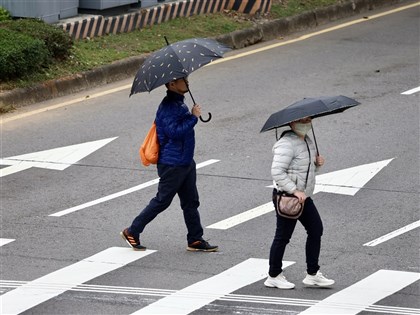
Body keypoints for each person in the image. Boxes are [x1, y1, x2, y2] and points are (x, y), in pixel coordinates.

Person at [121, 77, 218, 252]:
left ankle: (195, 239)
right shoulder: (168, 106)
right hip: (172, 163)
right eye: (183, 80)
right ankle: (132, 231)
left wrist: (190, 116)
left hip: (185, 161)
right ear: (172, 84)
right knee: (162, 201)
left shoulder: (179, 103)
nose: (187, 82)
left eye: (187, 78)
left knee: (191, 202)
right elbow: (174, 132)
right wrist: (194, 117)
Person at [264, 117, 334, 289]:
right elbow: (277, 172)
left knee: (316, 229)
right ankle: (273, 275)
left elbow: (303, 170)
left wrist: (317, 165)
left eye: (309, 119)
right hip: (288, 196)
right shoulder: (286, 144)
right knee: (283, 236)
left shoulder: (307, 141)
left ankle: (312, 274)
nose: (307, 123)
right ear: (292, 123)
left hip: (304, 196)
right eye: (303, 120)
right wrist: (295, 191)